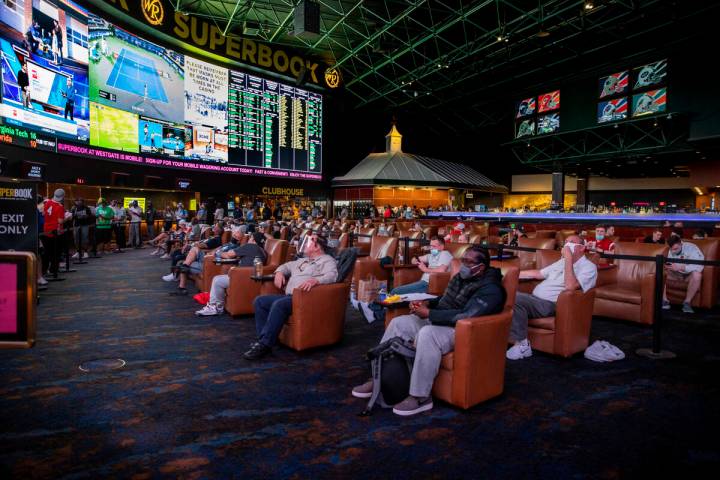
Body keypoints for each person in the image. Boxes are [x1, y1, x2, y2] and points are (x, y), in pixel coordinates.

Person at [352, 246, 506, 416]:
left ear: (481, 267)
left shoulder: (491, 289)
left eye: (469, 262)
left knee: (427, 334)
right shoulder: (461, 278)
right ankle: (377, 378)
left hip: (461, 329)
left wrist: (429, 313)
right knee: (399, 323)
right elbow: (446, 300)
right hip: (439, 319)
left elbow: (465, 315)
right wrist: (426, 304)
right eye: (463, 260)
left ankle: (420, 397)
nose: (463, 265)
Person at [242, 234, 338, 360]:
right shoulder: (303, 260)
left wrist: (316, 280)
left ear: (316, 246)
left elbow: (332, 275)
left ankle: (264, 345)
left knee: (279, 304)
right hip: (290, 297)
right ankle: (264, 339)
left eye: (307, 242)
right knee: (260, 301)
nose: (303, 244)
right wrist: (279, 272)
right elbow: (286, 266)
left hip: (305, 298)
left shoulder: (327, 260)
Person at [506, 235, 597, 360]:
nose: (567, 245)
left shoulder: (589, 267)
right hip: (534, 299)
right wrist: (508, 273)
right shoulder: (561, 262)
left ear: (582, 248)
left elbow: (570, 286)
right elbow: (539, 273)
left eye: (571, 242)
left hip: (551, 304)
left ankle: (523, 345)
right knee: (504, 292)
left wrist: (569, 259)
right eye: (565, 242)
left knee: (513, 298)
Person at [358, 236, 453, 323]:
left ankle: (372, 307)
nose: (432, 249)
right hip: (423, 282)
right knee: (395, 294)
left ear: (441, 246)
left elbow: (442, 270)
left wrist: (425, 269)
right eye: (431, 246)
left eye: (434, 246)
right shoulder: (431, 256)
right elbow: (416, 258)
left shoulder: (445, 254)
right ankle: (376, 312)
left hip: (430, 284)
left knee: (396, 291)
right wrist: (415, 259)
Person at [194, 232, 268, 313]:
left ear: (253, 240)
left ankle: (214, 307)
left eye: (250, 238)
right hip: (252, 278)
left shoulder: (251, 246)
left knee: (217, 280)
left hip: (241, 277)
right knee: (223, 275)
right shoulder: (262, 251)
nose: (248, 239)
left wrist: (217, 253)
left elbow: (229, 255)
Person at [663, 236, 705, 313]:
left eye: (675, 249)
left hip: (688, 275)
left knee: (697, 275)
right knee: (660, 272)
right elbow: (670, 263)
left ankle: (687, 303)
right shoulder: (670, 249)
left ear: (681, 244)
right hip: (675, 274)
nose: (673, 251)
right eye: (671, 249)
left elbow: (699, 266)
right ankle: (664, 301)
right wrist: (668, 266)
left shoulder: (692, 248)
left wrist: (682, 267)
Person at [42, 189, 67, 278]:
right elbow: (60, 221)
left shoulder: (47, 203)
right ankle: (53, 269)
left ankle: (43, 270)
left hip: (46, 230)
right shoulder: (60, 206)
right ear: (63, 197)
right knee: (56, 252)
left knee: (46, 251)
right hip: (56, 231)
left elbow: (43, 213)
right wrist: (67, 217)